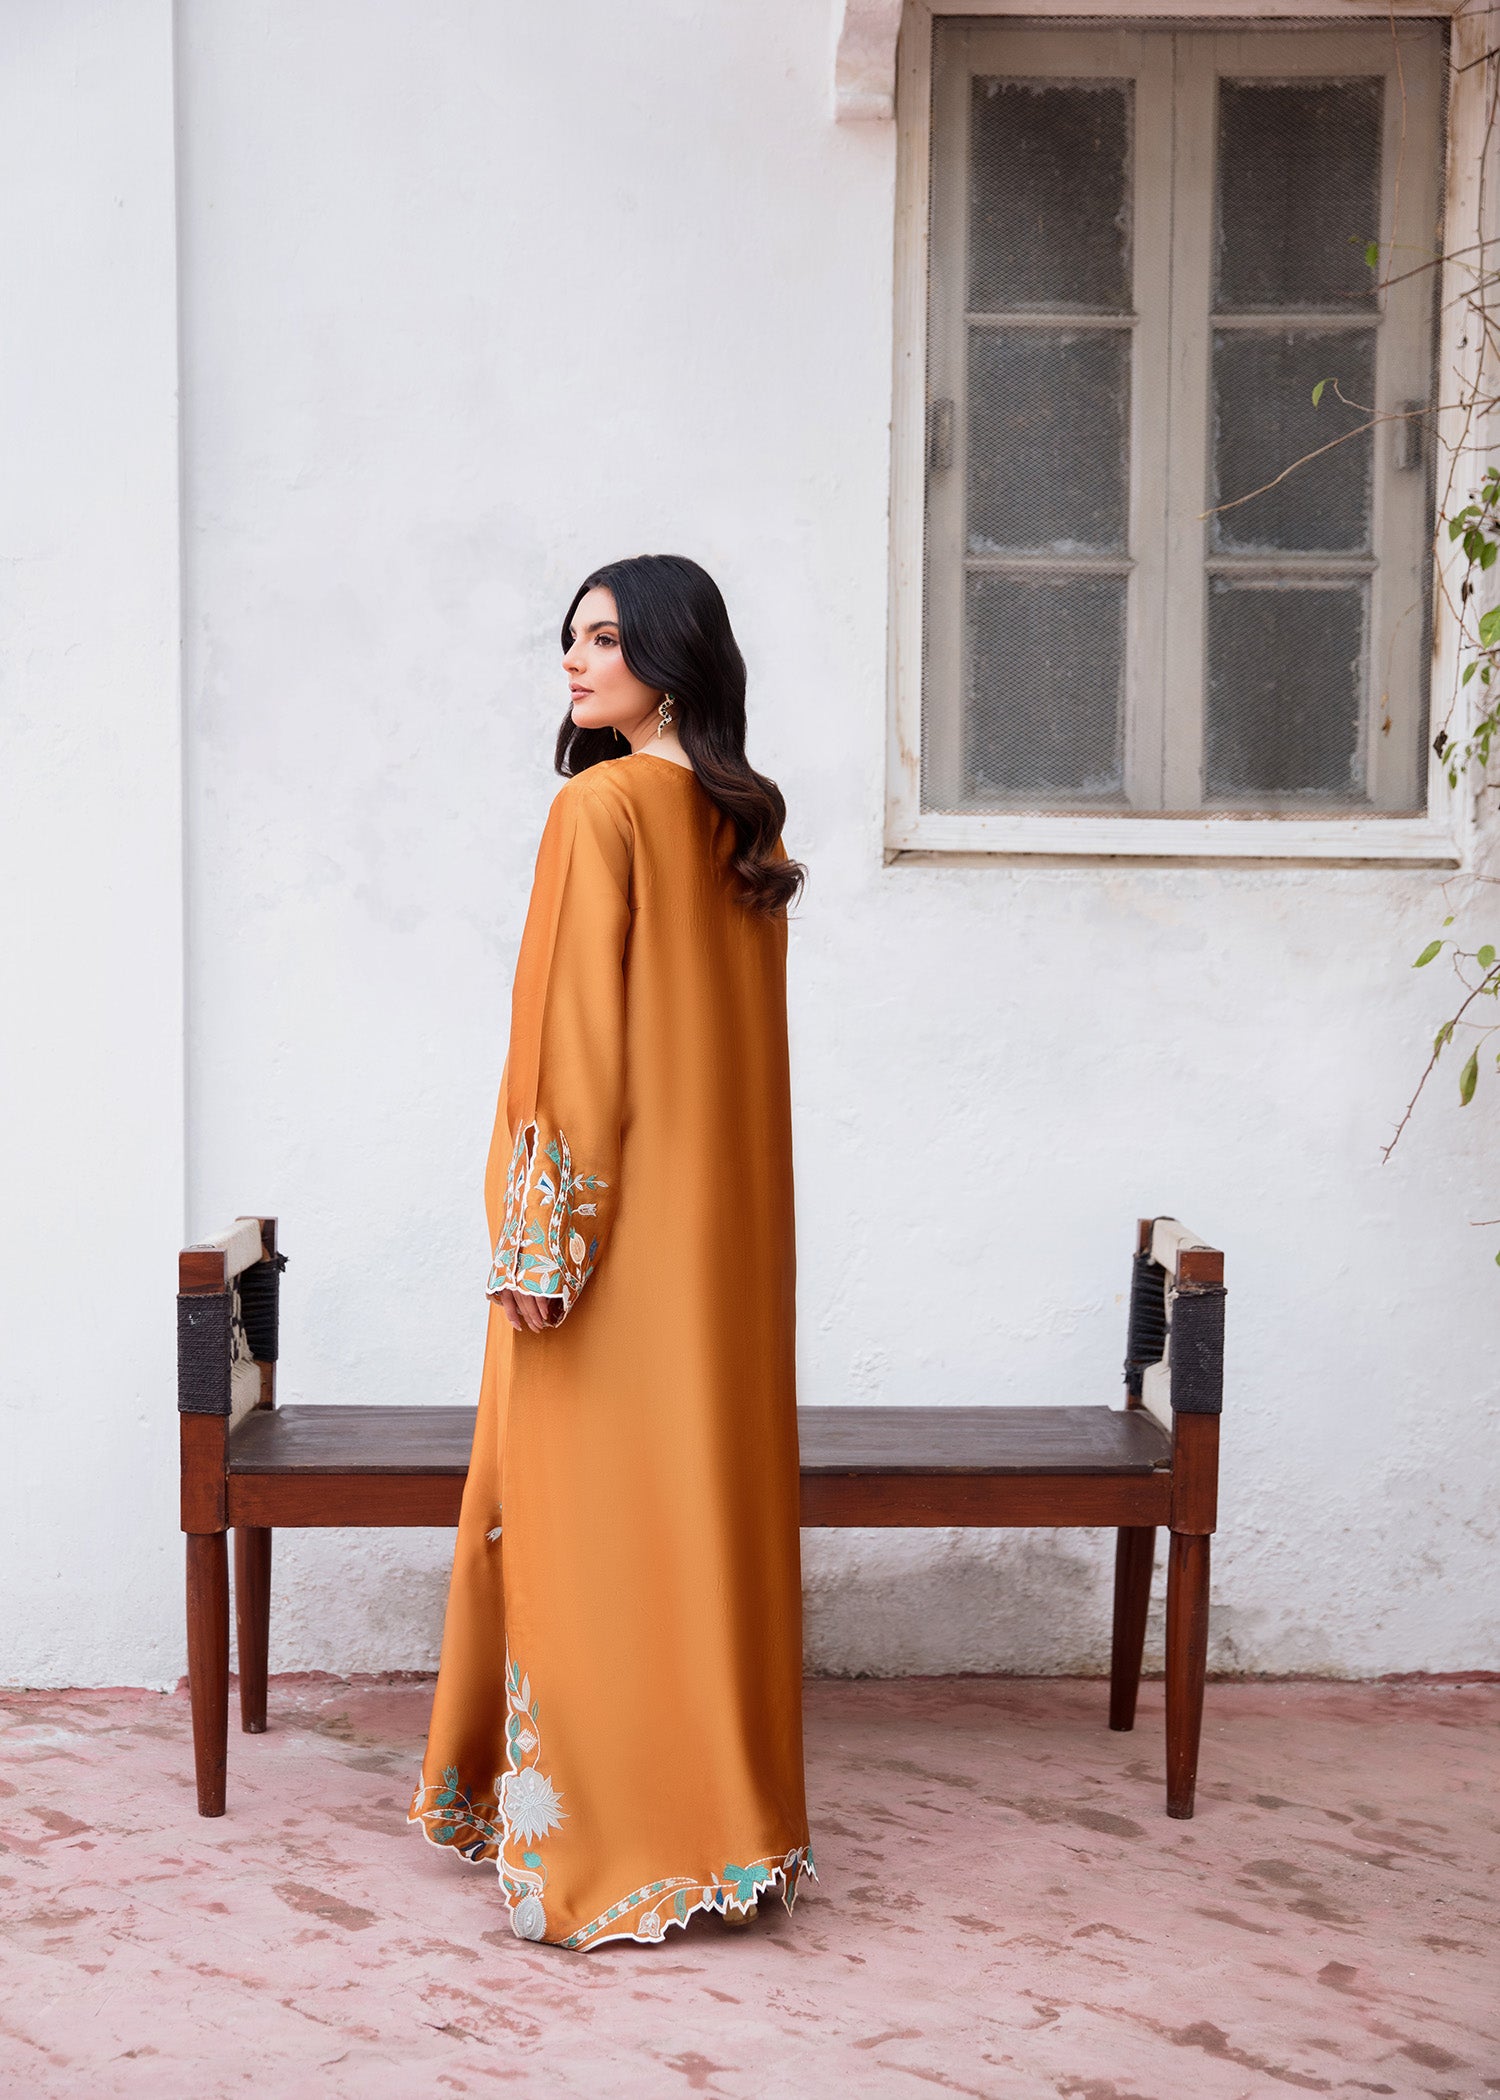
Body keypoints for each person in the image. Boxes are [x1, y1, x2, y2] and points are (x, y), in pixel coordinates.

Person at [409, 553, 815, 1949]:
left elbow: (575, 1040)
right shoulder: (742, 820)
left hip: (611, 1246)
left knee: (588, 1530)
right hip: (724, 1248)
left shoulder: (599, 807)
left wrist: (543, 1242)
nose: (575, 663)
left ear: (669, 655)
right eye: (570, 640)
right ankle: (729, 1833)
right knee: (697, 1520)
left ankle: (605, 1847)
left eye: (603, 638)